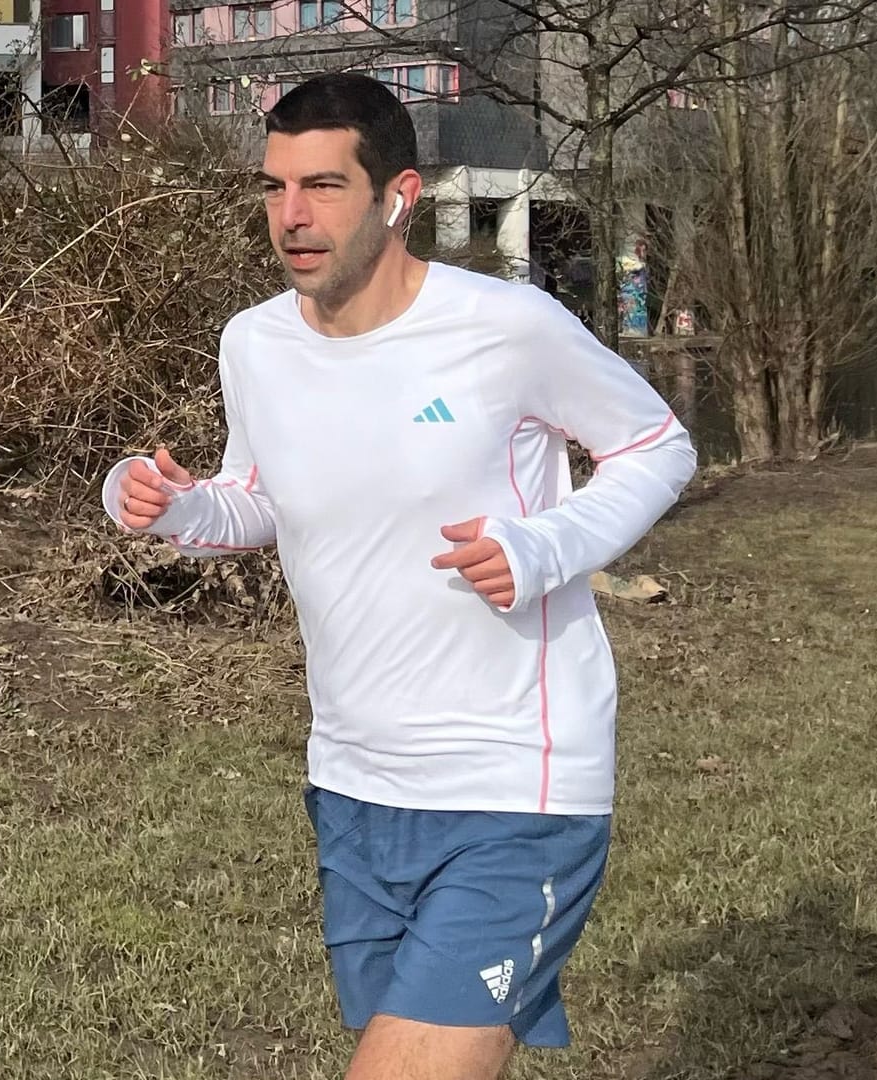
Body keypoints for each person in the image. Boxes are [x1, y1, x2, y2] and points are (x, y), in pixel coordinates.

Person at [99, 72, 697, 1080]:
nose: (292, 217)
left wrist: (546, 545)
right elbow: (257, 496)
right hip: (354, 783)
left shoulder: (507, 327)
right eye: (275, 187)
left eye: (324, 187)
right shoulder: (254, 344)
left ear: (399, 196)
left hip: (515, 783)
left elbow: (658, 444)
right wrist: (170, 504)